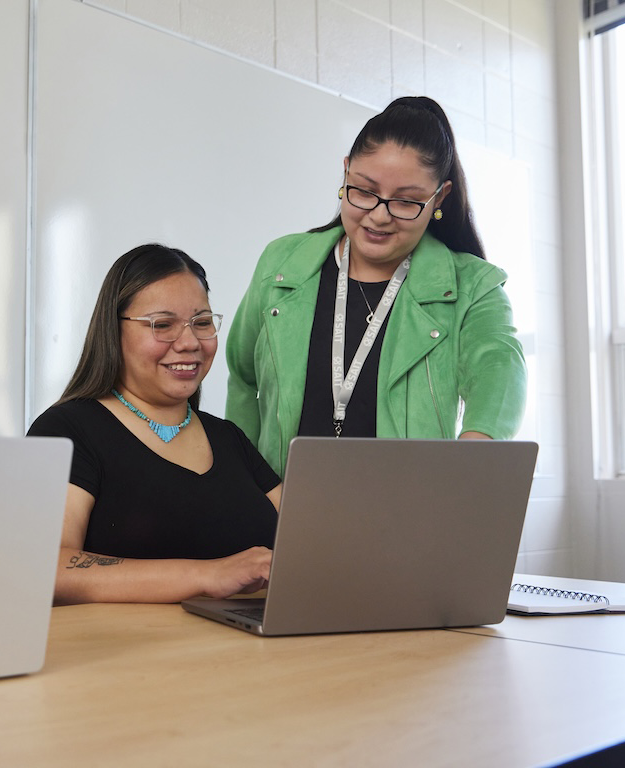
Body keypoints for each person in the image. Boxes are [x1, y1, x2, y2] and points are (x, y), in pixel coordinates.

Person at [226, 96, 527, 477]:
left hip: (406, 518)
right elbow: (242, 377)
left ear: (440, 198)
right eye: (365, 191)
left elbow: (500, 370)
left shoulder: (472, 286)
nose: (380, 216)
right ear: (346, 172)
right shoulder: (282, 264)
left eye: (407, 201)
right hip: (282, 517)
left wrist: (469, 461)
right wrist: (248, 492)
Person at [28, 244, 281, 605]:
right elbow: (49, 566)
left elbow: (307, 543)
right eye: (162, 325)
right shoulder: (66, 430)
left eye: (203, 322)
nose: (190, 342)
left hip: (253, 654)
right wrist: (208, 575)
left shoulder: (229, 438)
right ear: (113, 331)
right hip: (129, 656)